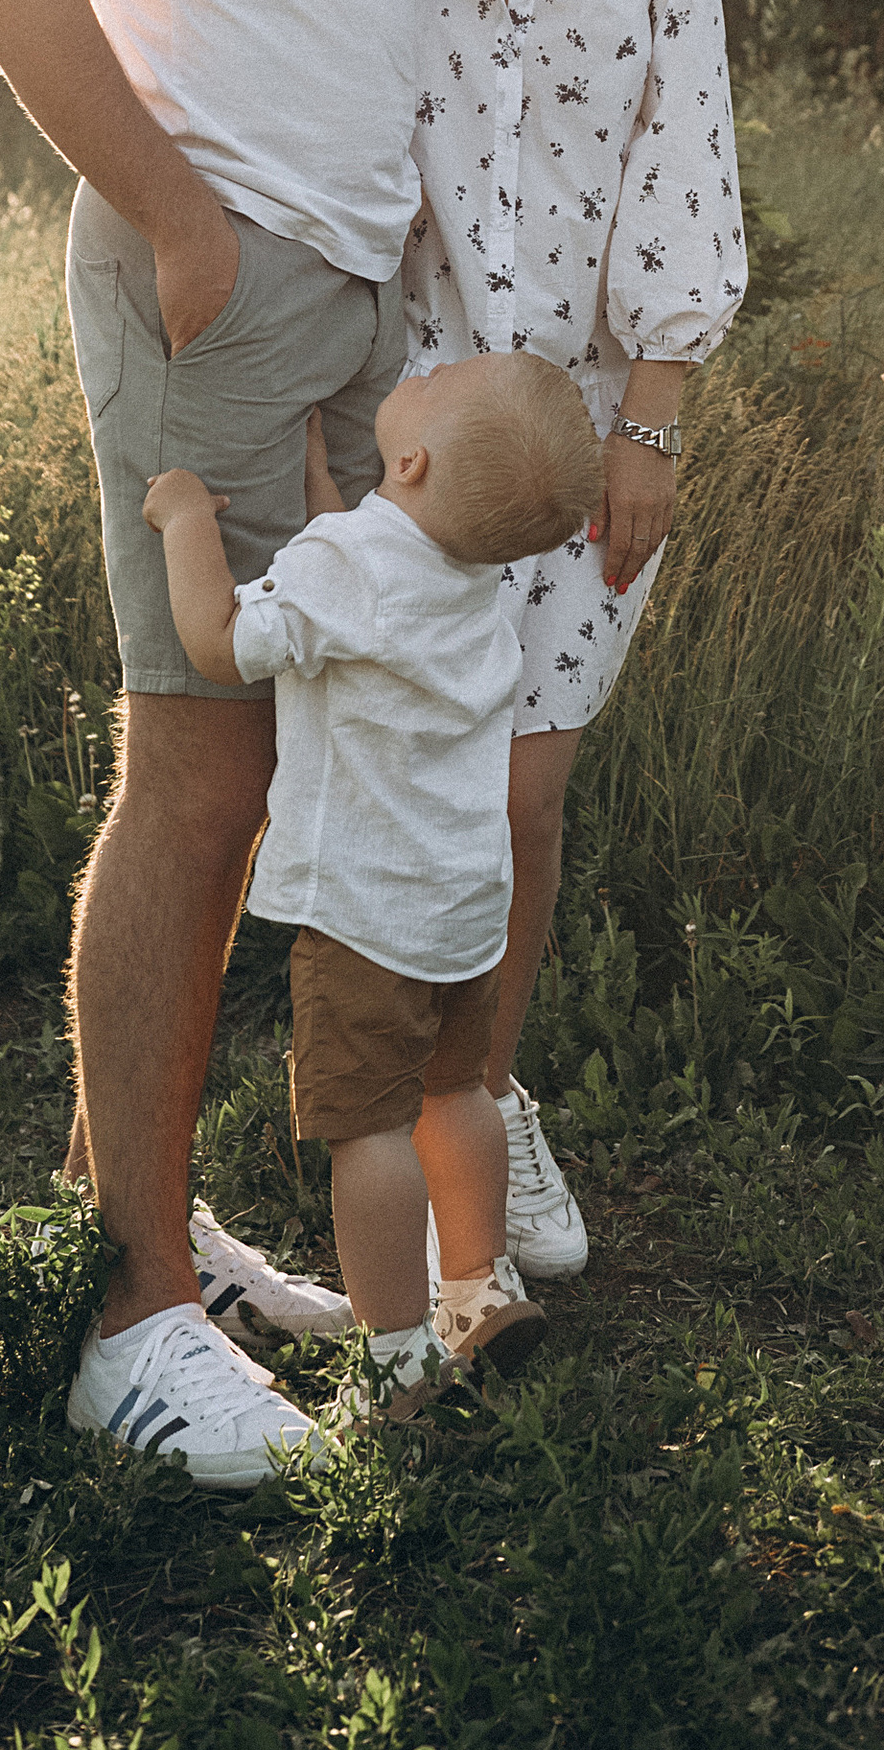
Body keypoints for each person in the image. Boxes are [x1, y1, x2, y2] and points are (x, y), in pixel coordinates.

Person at [0, 0, 581, 1490]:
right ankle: (125, 1322)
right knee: (197, 776)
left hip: (320, 308)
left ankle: (137, 1217)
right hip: (207, 290)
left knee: (257, 765)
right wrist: (176, 220)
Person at [379, 0, 748, 1287]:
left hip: (591, 420)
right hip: (415, 414)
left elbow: (689, 154)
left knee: (527, 797)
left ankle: (488, 1095)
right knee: (405, 790)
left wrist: (656, 421)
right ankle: (389, 1129)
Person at [136, 351, 605, 1443]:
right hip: (461, 903)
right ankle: (478, 1293)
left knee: (369, 1128)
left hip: (363, 913)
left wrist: (184, 521)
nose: (429, 365)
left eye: (441, 378)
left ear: (410, 454)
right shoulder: (465, 569)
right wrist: (322, 486)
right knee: (457, 1096)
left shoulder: (350, 562)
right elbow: (355, 559)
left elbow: (220, 644)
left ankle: (395, 1356)